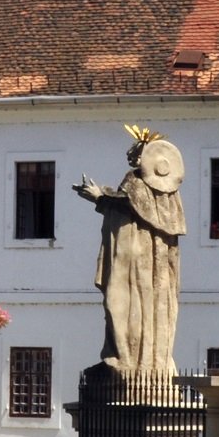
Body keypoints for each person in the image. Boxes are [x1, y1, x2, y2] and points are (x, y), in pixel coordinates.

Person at [74, 126, 187, 378]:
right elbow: (130, 204)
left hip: (133, 267)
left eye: (136, 156)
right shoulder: (167, 197)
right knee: (136, 308)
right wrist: (103, 197)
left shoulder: (136, 183)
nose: (133, 161)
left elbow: (128, 203)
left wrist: (98, 197)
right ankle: (146, 364)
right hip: (151, 271)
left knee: (120, 303)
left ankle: (128, 360)